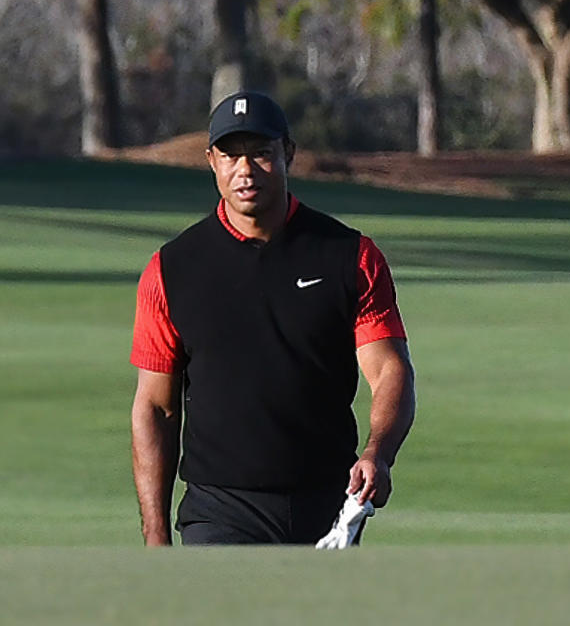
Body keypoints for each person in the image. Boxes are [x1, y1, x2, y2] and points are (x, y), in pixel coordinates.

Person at [129, 91, 416, 545]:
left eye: (261, 154)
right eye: (230, 156)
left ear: (288, 153)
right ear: (211, 161)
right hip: (220, 511)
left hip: (327, 504)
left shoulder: (350, 256)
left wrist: (379, 454)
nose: (245, 170)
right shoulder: (171, 270)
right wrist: (155, 536)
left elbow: (389, 369)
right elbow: (156, 408)